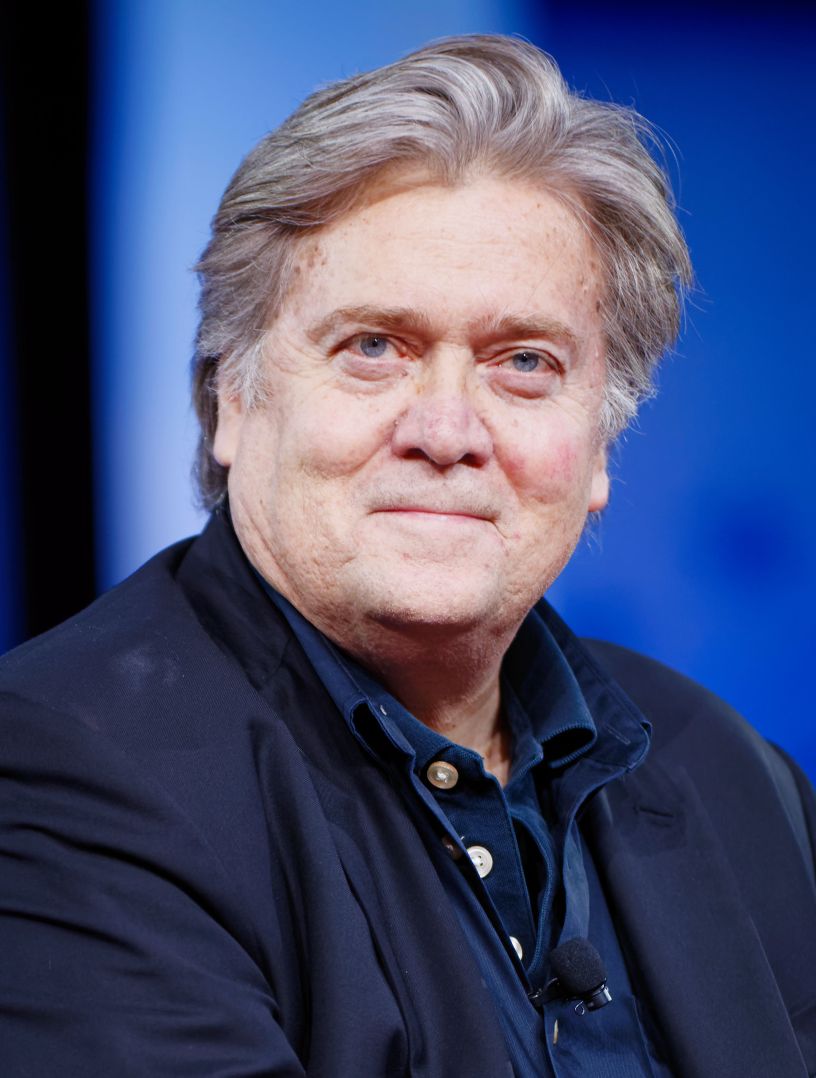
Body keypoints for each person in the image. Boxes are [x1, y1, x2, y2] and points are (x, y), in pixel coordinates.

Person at [1, 34, 814, 1078]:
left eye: (524, 362)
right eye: (374, 347)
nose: (446, 428)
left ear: (604, 443)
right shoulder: (60, 771)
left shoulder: (733, 771)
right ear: (233, 400)